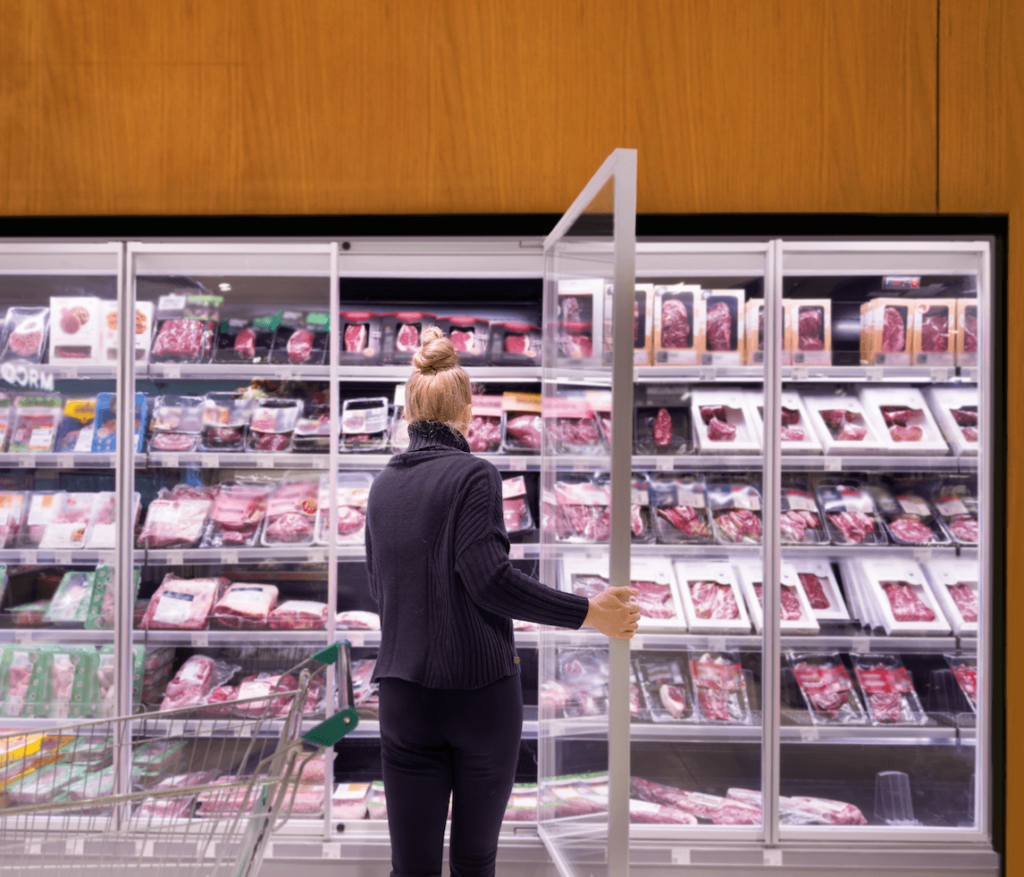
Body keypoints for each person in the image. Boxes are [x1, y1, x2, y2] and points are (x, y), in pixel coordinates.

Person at [365, 326, 639, 877]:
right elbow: (489, 580)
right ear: (467, 412)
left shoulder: (382, 484)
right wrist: (588, 612)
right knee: (474, 862)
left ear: (411, 411)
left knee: (410, 868)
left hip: (402, 698)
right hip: (478, 698)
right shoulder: (474, 475)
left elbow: (381, 586)